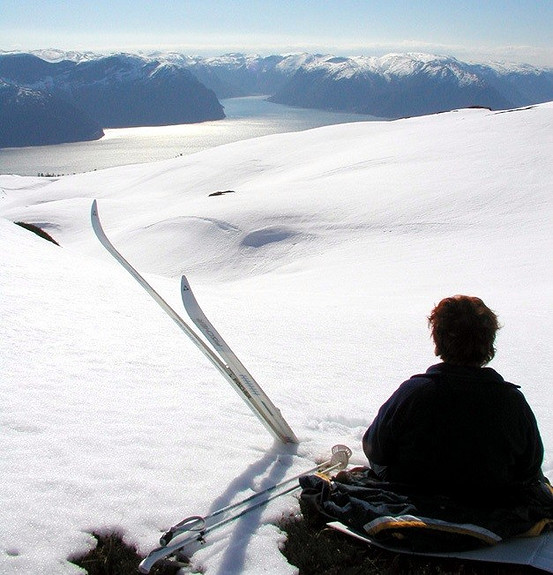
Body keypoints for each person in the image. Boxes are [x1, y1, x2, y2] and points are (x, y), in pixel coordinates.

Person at [363, 295, 546, 505]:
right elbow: (530, 467)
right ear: (488, 342)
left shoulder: (413, 394)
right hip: (489, 503)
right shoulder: (512, 402)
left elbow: (375, 448)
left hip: (415, 496)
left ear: (439, 339)